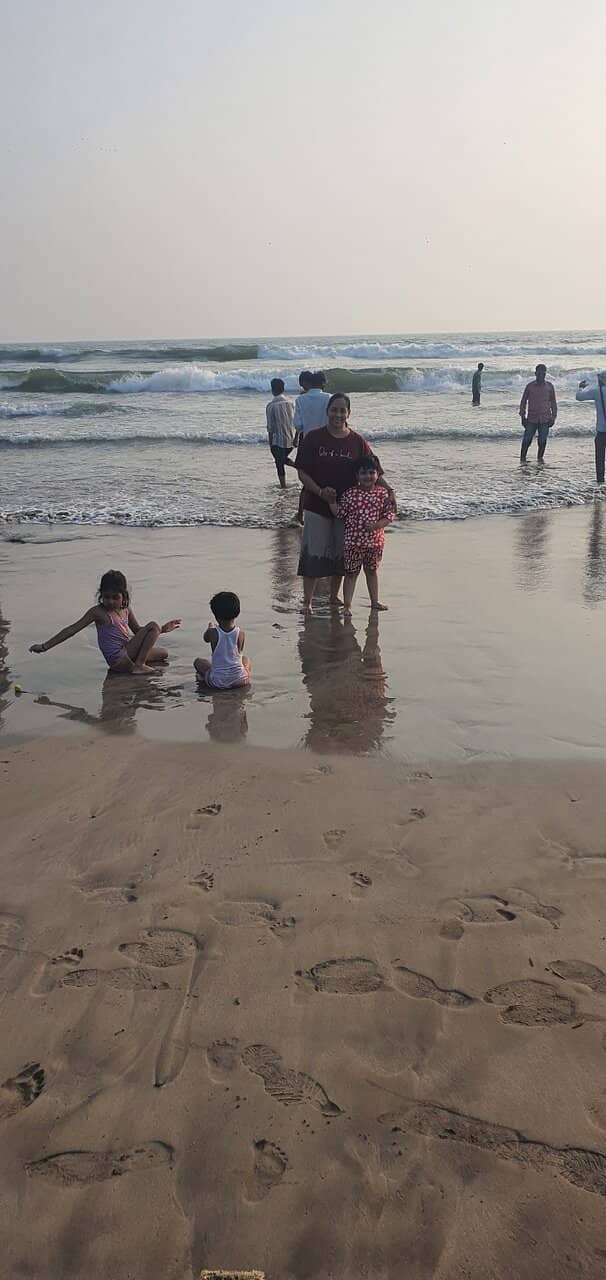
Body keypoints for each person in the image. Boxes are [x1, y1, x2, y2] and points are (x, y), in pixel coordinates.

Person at [295, 392, 394, 614]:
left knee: (342, 555)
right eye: (334, 410)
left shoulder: (357, 441)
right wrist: (320, 492)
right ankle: (307, 602)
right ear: (327, 411)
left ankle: (334, 596)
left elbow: (374, 470)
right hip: (317, 505)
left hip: (349, 511)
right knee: (313, 555)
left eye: (342, 410)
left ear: (348, 413)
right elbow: (302, 473)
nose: (337, 414)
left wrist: (389, 491)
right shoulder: (313, 438)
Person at [29, 569, 180, 674]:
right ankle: (139, 666)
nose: (110, 601)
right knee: (153, 625)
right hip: (118, 659)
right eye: (106, 597)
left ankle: (137, 665)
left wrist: (162, 629)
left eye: (115, 597)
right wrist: (45, 646)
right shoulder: (98, 612)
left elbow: (138, 632)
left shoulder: (126, 610)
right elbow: (71, 629)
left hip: (127, 653)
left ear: (124, 596)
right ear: (100, 594)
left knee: (163, 653)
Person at [329, 454, 395, 615]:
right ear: (357, 475)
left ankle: (374, 601)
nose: (368, 476)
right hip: (353, 543)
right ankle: (347, 606)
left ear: (378, 474)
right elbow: (339, 513)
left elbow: (389, 516)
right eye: (363, 473)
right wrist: (331, 502)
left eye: (372, 472)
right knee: (351, 574)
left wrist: (376, 526)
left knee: (372, 572)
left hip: (375, 542)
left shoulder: (382, 494)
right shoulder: (350, 494)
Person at [194, 591, 251, 689]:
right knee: (246, 659)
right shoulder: (241, 633)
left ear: (215, 615)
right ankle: (243, 677)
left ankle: (203, 679)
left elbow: (206, 639)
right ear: (237, 613)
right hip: (240, 680)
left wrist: (210, 627)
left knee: (198, 662)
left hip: (218, 682)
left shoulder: (213, 632)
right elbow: (238, 653)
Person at [519, 364, 557, 462]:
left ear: (545, 374)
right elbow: (523, 402)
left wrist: (553, 417)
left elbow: (553, 402)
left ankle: (540, 461)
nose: (541, 375)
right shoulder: (530, 386)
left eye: (543, 374)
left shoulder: (549, 386)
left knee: (542, 442)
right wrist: (522, 416)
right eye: (539, 373)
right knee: (526, 441)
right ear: (535, 373)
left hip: (545, 419)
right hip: (531, 419)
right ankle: (522, 460)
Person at [576, 371, 606, 484]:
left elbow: (579, 397)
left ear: (601, 380)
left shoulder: (597, 391)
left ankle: (600, 482)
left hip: (601, 431)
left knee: (600, 459)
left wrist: (580, 387)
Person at [265, 377, 295, 488]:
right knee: (281, 459)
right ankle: (298, 466)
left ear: (272, 390)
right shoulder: (290, 403)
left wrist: (270, 443)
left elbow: (270, 427)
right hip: (291, 439)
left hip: (278, 441)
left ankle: (283, 486)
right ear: (283, 389)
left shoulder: (271, 405)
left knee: (279, 462)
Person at [293, 369, 331, 438]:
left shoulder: (300, 399)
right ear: (323, 383)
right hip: (326, 438)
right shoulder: (329, 397)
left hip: (308, 438)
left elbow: (297, 425)